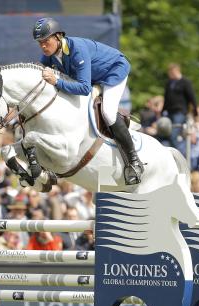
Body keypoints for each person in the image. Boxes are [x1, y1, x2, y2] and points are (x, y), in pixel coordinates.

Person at [33, 17, 143, 185]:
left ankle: (134, 161)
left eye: (45, 41)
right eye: (39, 42)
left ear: (57, 37)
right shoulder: (49, 55)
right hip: (93, 77)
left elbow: (84, 88)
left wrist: (56, 82)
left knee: (107, 111)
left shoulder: (77, 49)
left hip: (114, 70)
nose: (42, 46)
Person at [162, 63, 198, 147]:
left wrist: (196, 113)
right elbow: (166, 98)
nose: (169, 74)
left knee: (173, 135)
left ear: (175, 71)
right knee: (166, 134)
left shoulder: (185, 82)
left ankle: (178, 156)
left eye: (170, 72)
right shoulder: (169, 83)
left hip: (180, 113)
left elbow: (192, 98)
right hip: (169, 113)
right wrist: (162, 111)